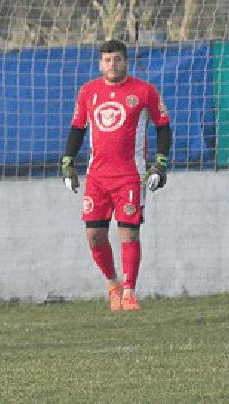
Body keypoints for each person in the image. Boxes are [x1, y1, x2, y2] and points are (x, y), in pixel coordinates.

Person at [60, 39, 171, 312]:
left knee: (129, 235)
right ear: (100, 63)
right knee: (95, 236)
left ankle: (130, 293)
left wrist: (160, 163)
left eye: (118, 59)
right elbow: (77, 129)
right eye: (108, 60)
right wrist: (67, 163)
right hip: (96, 177)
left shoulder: (144, 92)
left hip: (130, 176)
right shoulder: (88, 92)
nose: (113, 65)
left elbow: (163, 127)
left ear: (126, 61)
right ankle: (113, 285)